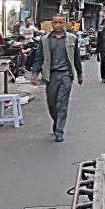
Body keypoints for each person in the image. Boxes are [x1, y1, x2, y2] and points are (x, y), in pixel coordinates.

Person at [30, 14, 83, 142]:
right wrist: (34, 73)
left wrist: (80, 74)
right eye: (55, 23)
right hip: (51, 74)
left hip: (66, 74)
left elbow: (76, 58)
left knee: (62, 103)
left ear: (64, 23)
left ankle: (59, 130)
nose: (58, 25)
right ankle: (56, 121)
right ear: (52, 24)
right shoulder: (45, 40)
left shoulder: (72, 38)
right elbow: (39, 58)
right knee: (52, 103)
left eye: (60, 22)